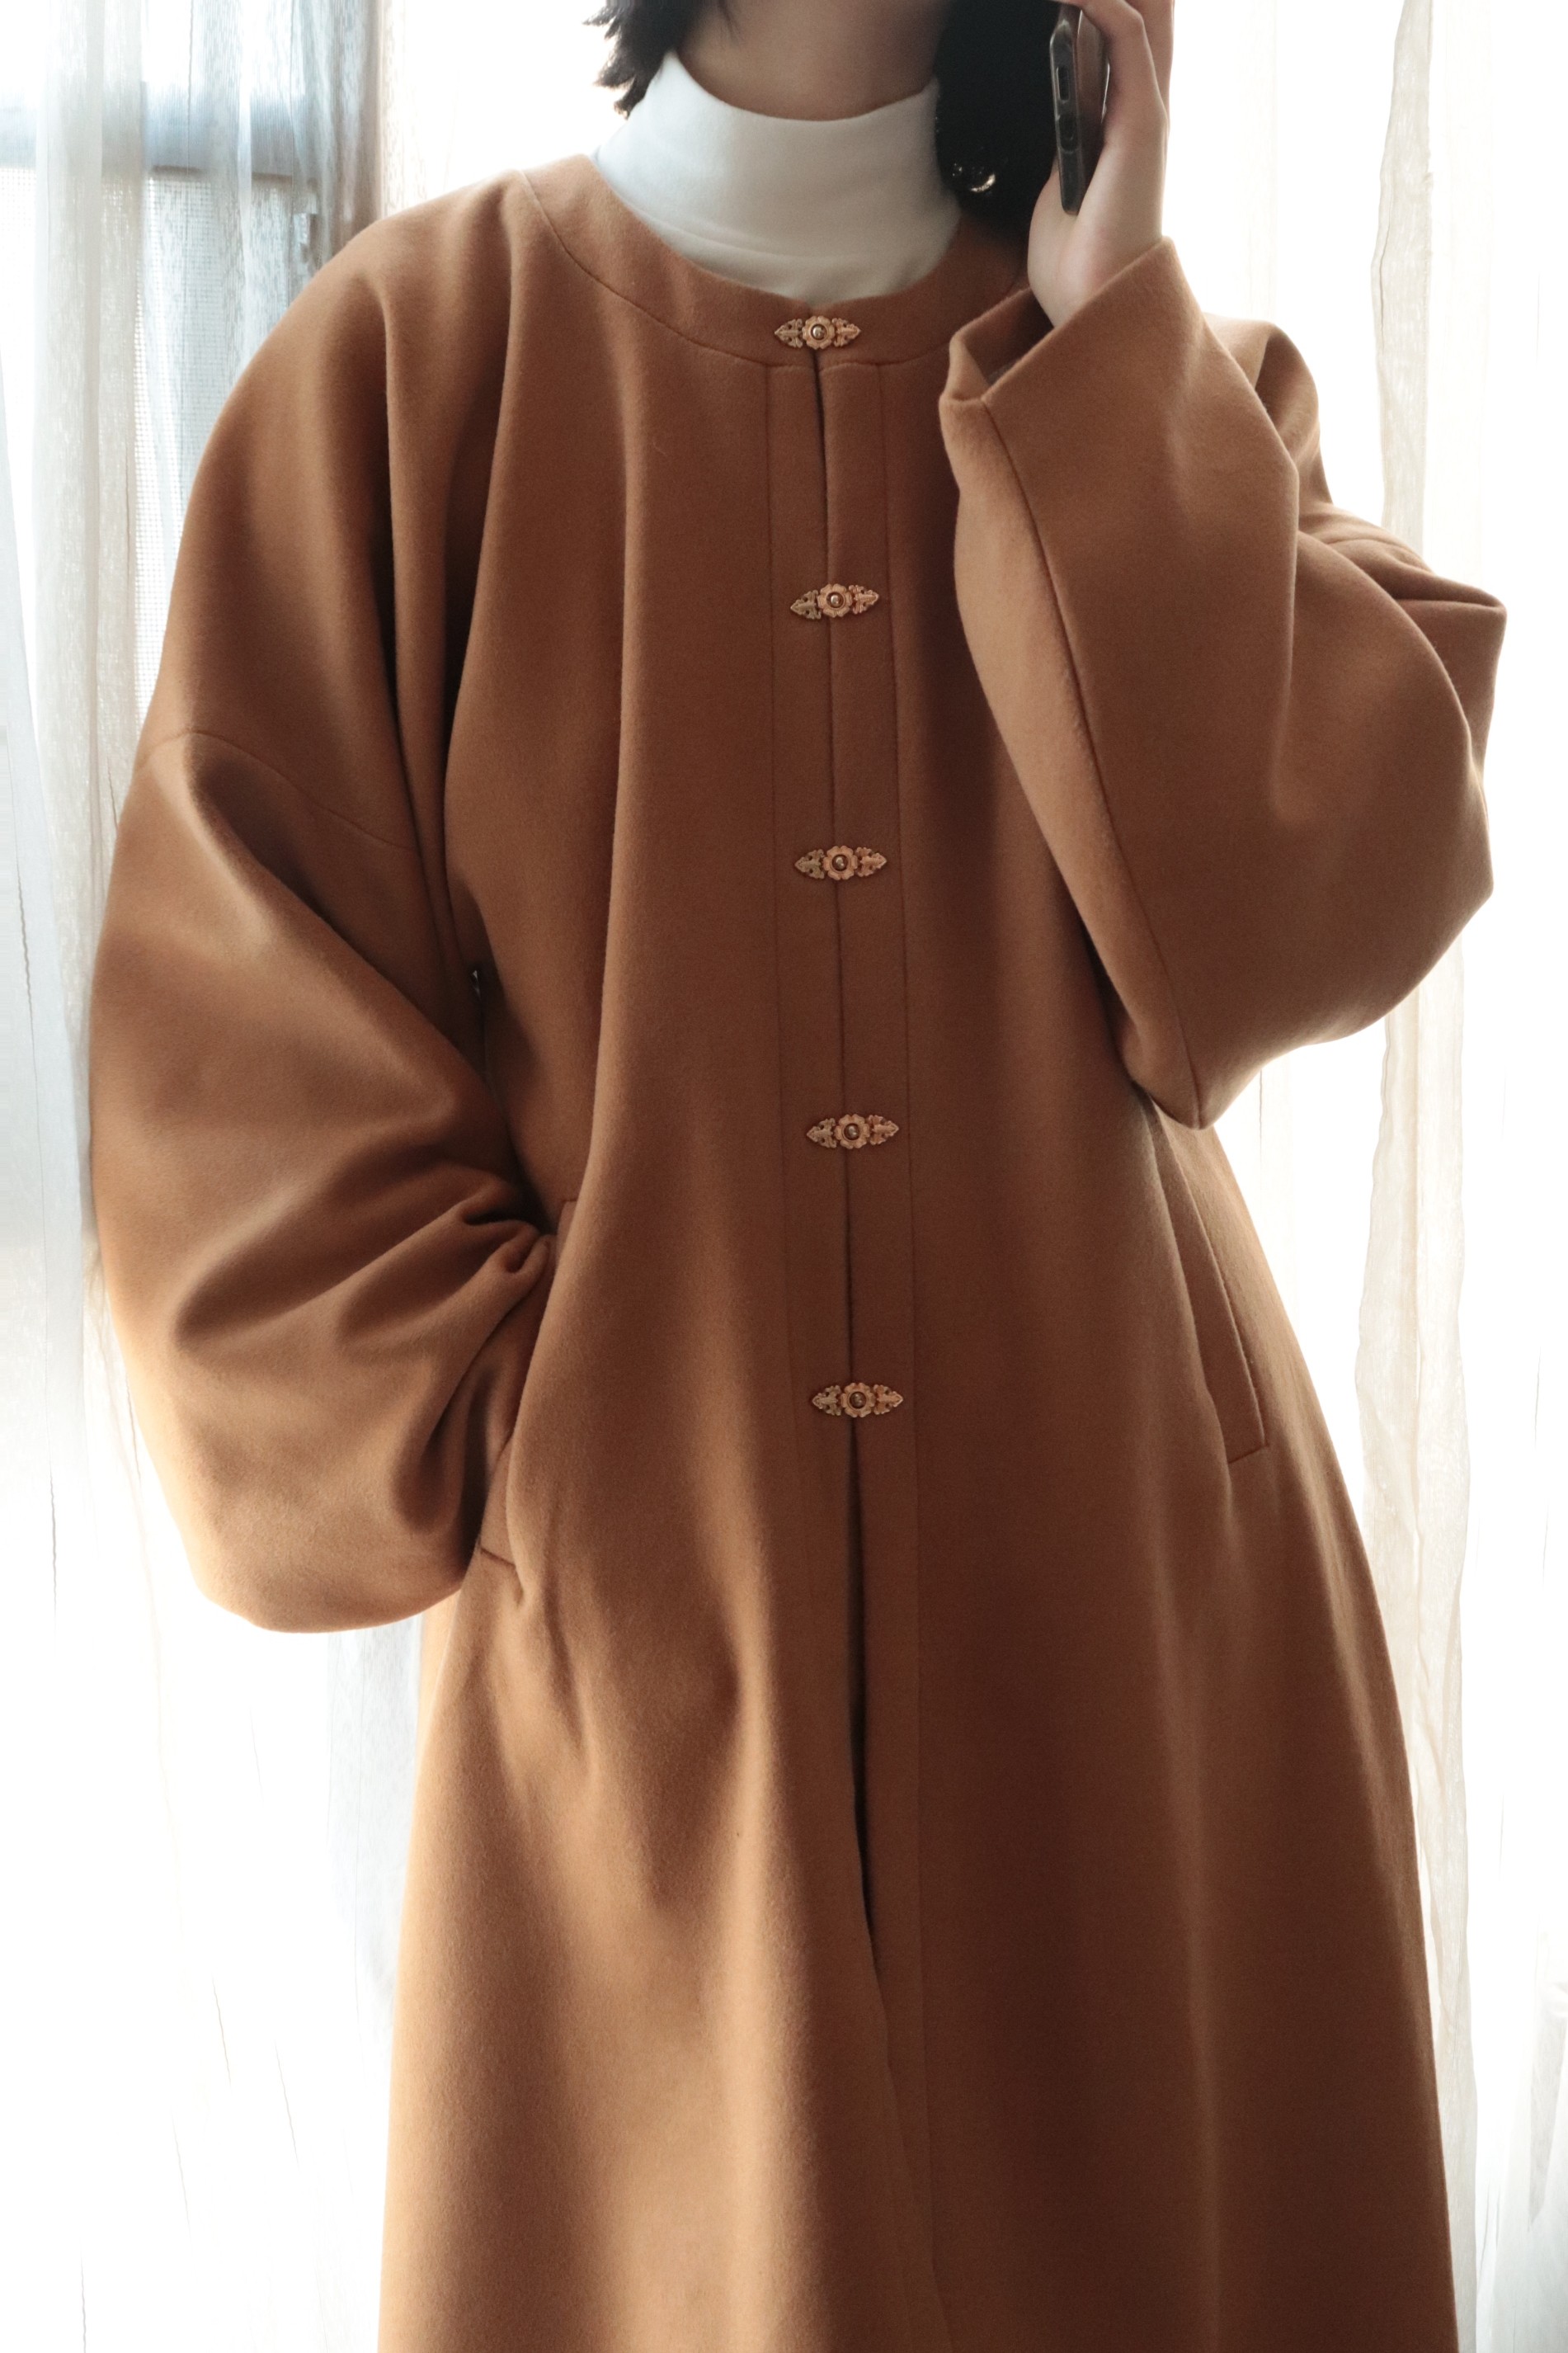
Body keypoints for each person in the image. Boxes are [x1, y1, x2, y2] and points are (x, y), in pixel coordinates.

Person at [87, 0, 1507, 2346]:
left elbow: (1282, 932)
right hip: (650, 1697)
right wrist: (562, 1453)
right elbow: (228, 1104)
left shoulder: (1158, 384)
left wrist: (1098, 341)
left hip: (1146, 1660)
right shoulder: (407, 373)